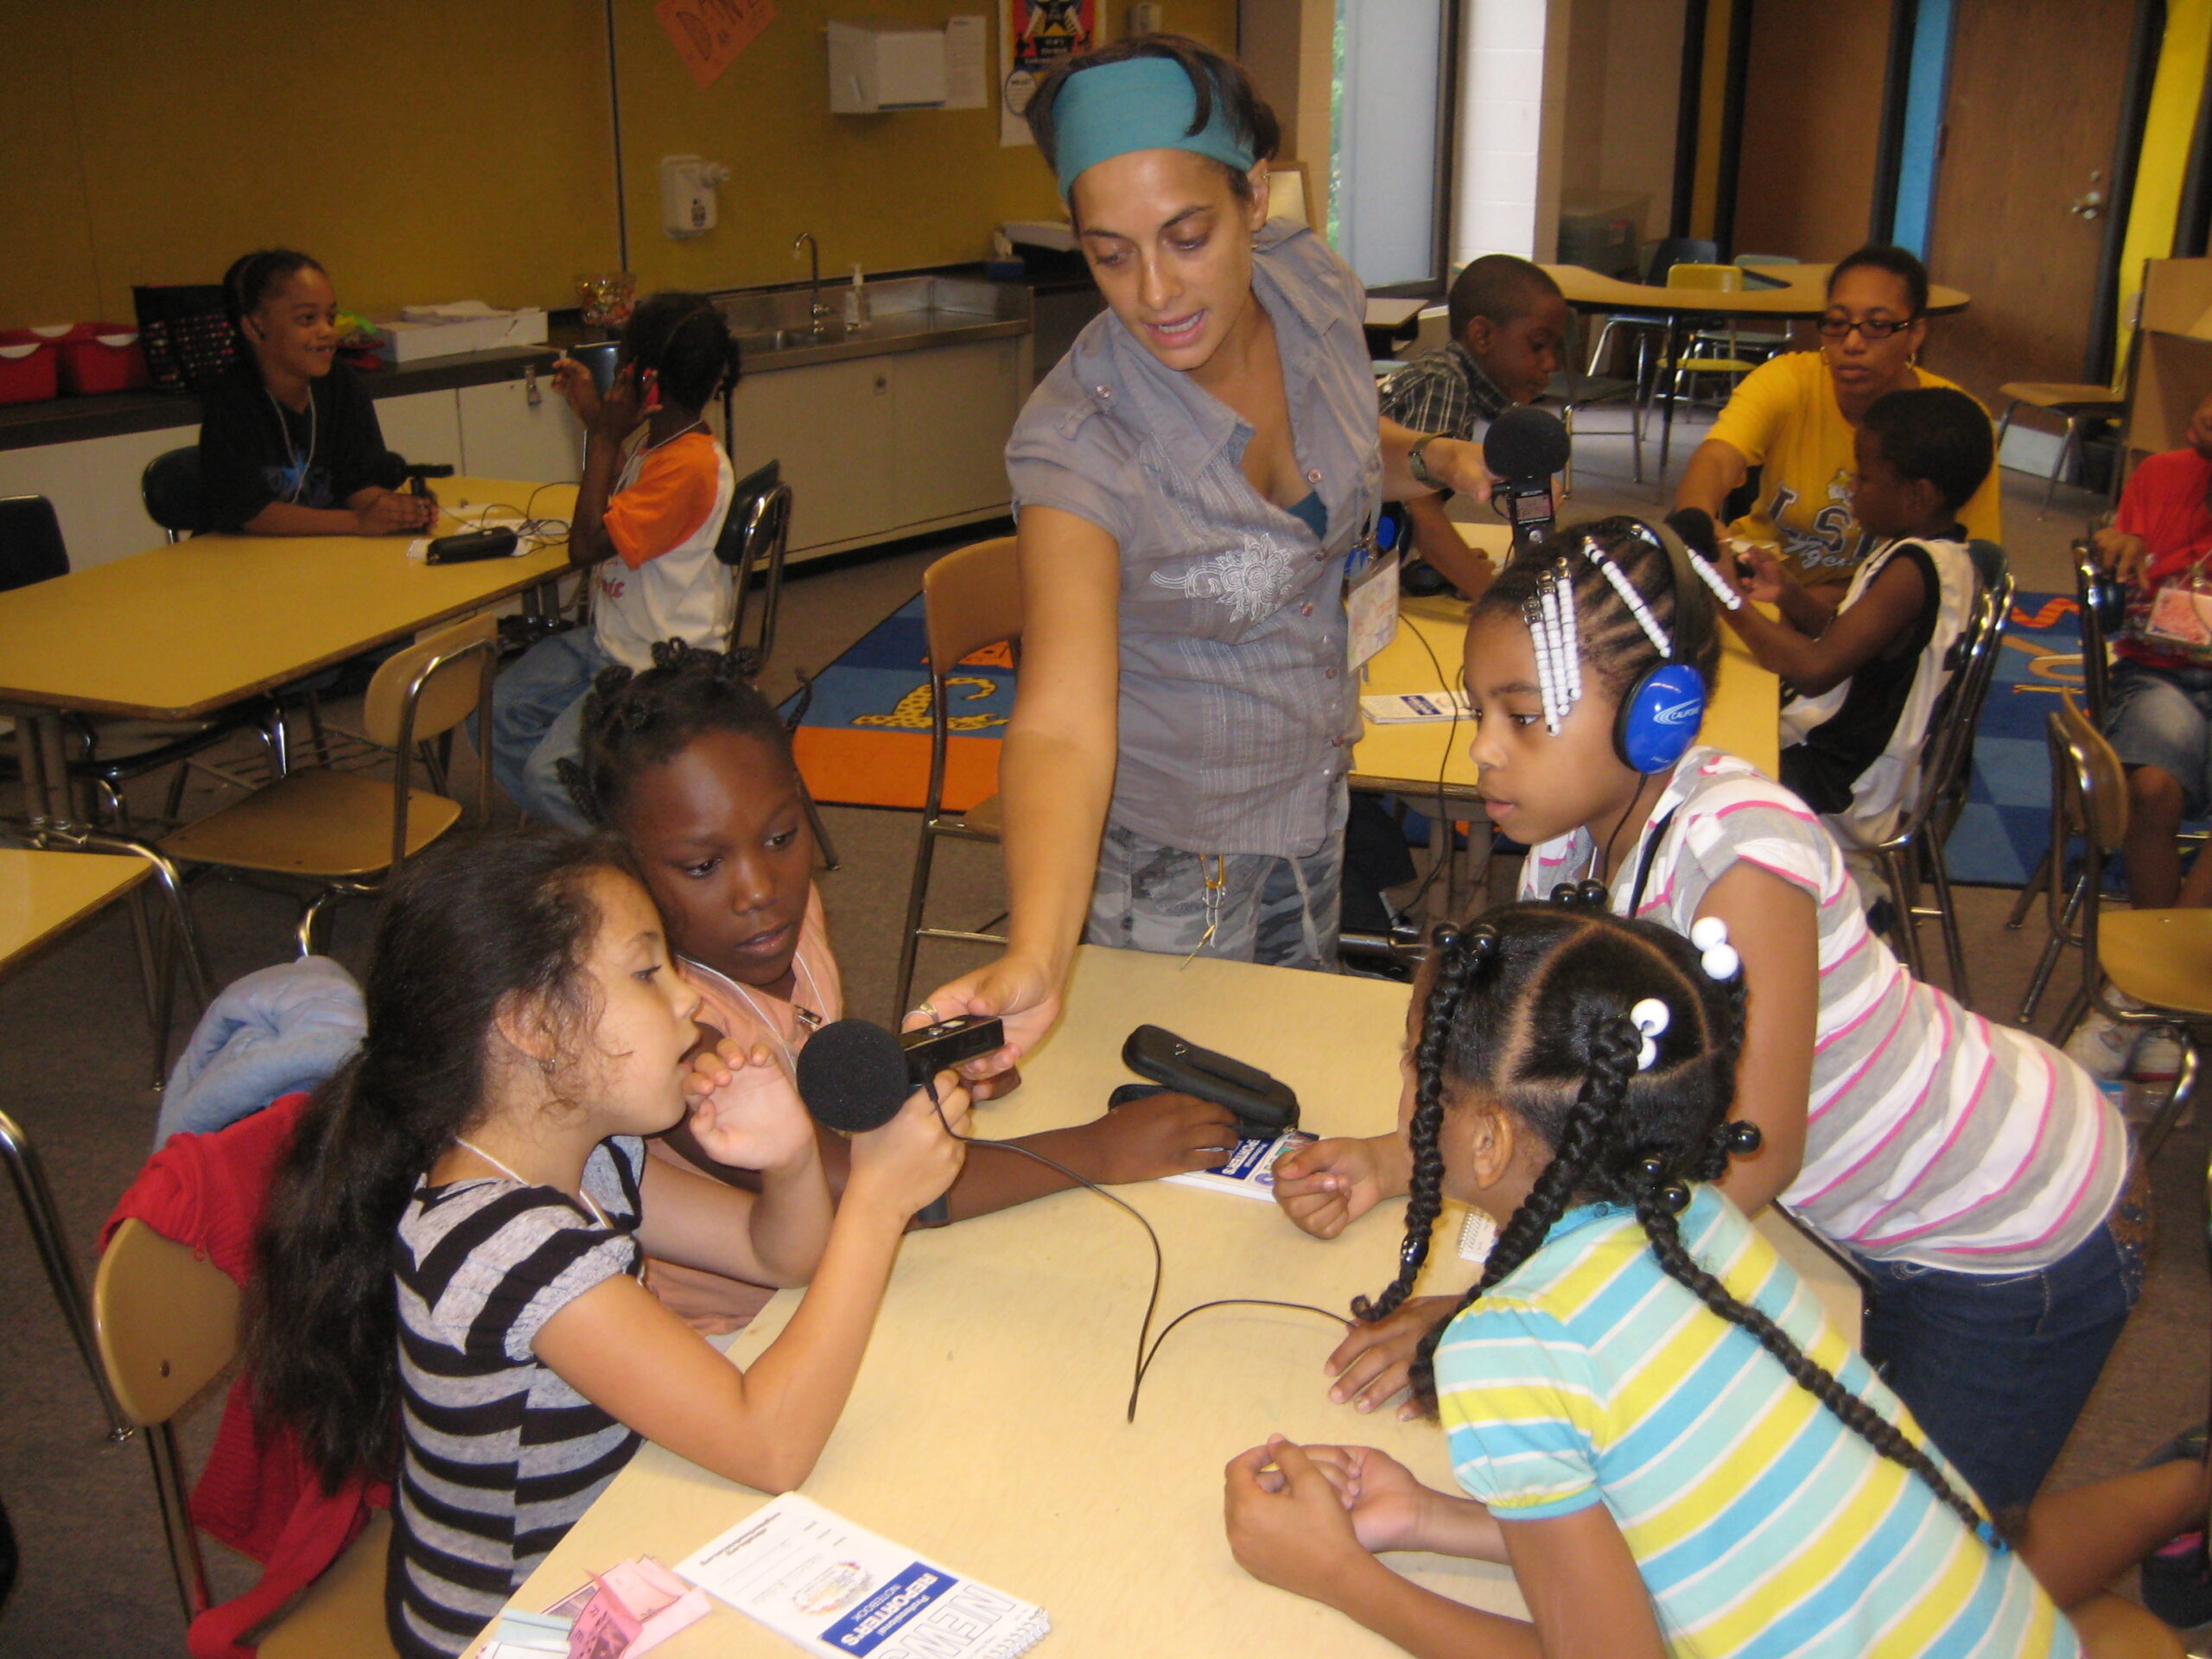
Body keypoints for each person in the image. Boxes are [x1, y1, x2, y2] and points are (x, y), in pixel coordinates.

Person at [1272, 518, 2139, 1514]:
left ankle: (2176, 1490)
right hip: (1845, 1226)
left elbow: (1750, 1157)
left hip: (2008, 1229)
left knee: (1934, 1540)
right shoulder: (1568, 847)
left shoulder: (1739, 861)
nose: (1485, 752)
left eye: (1525, 718)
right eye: (1481, 713)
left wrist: (1494, 1311)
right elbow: (1556, 1099)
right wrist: (1394, 1160)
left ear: (1658, 715)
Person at [1225, 903, 2080, 1656]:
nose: (1403, 1082)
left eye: (1415, 1063)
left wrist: (1337, 1573)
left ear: (1488, 1140)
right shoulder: (1691, 1217)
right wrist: (1428, 1517)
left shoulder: (1510, 1344)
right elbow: (1696, 1514)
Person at [907, 34, 1492, 1075]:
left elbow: (1345, 448)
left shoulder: (1309, 289)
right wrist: (1037, 951)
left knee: (1296, 1082)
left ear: (1253, 198)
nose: (1155, 293)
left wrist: (1436, 459)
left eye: (1186, 237)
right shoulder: (1081, 443)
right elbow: (1060, 722)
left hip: (1312, 796)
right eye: (1110, 254)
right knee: (1174, 1125)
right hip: (1175, 861)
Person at [242, 831, 965, 1657]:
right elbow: (770, 1446)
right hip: (517, 1628)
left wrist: (791, 1157)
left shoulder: (584, 1158)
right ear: (534, 1026)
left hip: (611, 1537)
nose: (691, 1000)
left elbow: (778, 1258)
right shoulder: (504, 1247)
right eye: (649, 973)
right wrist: (875, 1202)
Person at [556, 638, 1245, 1328]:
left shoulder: (789, 919)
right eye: (703, 867)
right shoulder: (670, 1035)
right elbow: (854, 1187)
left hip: (841, 1279)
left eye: (781, 837)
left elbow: (815, 1088)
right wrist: (1096, 1150)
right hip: (745, 1333)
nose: (759, 889)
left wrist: (922, 1075)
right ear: (625, 870)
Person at [486, 291, 741, 833]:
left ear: (644, 377)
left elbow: (585, 546)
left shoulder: (690, 466)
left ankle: (631, 857)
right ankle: (594, 832)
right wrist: (592, 418)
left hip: (663, 666)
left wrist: (603, 435)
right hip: (616, 640)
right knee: (496, 710)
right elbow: (629, 503)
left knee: (551, 780)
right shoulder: (665, 444)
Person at [1713, 385, 1989, 847]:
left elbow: (1816, 670)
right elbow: (1853, 642)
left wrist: (1726, 598)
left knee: (1697, 767)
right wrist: (1789, 593)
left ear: (1916, 496)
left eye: (1865, 478)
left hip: (1846, 787)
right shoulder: (1936, 554)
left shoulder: (1912, 572)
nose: (1852, 489)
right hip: (1850, 763)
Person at [1673, 245, 2001, 593]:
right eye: (1837, 324)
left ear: (1915, 333)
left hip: (1876, 606)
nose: (1852, 343)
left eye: (1877, 326)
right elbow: (1716, 460)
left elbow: (1971, 565)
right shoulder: (1787, 380)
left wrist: (1815, 601)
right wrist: (1700, 526)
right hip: (1752, 582)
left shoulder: (1955, 421)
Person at [198, 248, 438, 537]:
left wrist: (394, 511)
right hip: (245, 555)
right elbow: (252, 514)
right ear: (255, 326)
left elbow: (357, 483)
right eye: (307, 319)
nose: (327, 331)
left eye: (331, 317)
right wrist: (357, 522)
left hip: (324, 550)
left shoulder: (341, 384)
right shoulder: (232, 399)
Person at [1376, 256, 1567, 597]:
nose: (1550, 363)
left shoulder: (1456, 381)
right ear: (1482, 336)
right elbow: (1422, 517)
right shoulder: (1443, 383)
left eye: (1556, 348)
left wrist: (1455, 563)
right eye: (1538, 345)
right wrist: (1494, 600)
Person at [2092, 389, 2212, 911]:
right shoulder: (2162, 473)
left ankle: (2173, 946)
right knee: (2151, 789)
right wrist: (2116, 545)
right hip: (2160, 671)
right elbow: (2114, 593)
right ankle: (2162, 942)